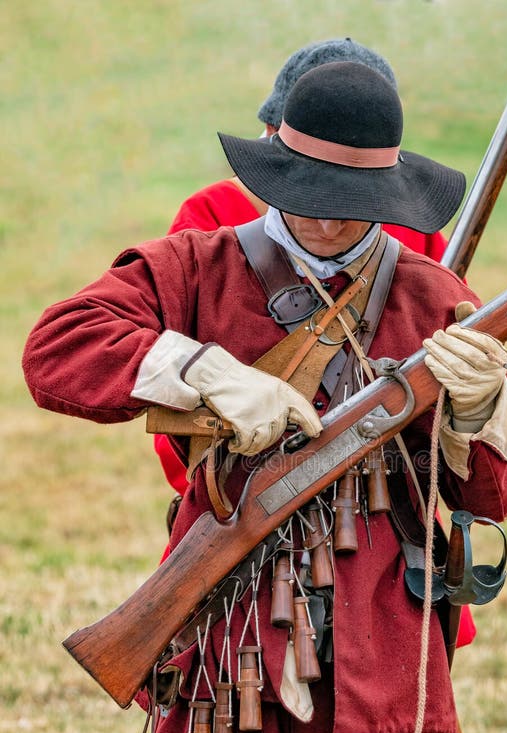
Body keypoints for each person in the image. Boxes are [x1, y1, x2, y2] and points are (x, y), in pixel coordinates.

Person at [23, 61, 507, 733]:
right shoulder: (193, 265)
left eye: (352, 199)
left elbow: (494, 495)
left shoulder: (431, 295)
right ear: (276, 171)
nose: (330, 218)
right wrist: (202, 371)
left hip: (384, 654)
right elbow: (58, 351)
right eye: (311, 188)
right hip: (225, 640)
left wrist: (482, 411)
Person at [157, 37, 478, 647]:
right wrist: (225, 492)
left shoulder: (410, 238)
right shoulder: (216, 216)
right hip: (242, 504)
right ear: (275, 135)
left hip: (381, 521)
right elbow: (174, 388)